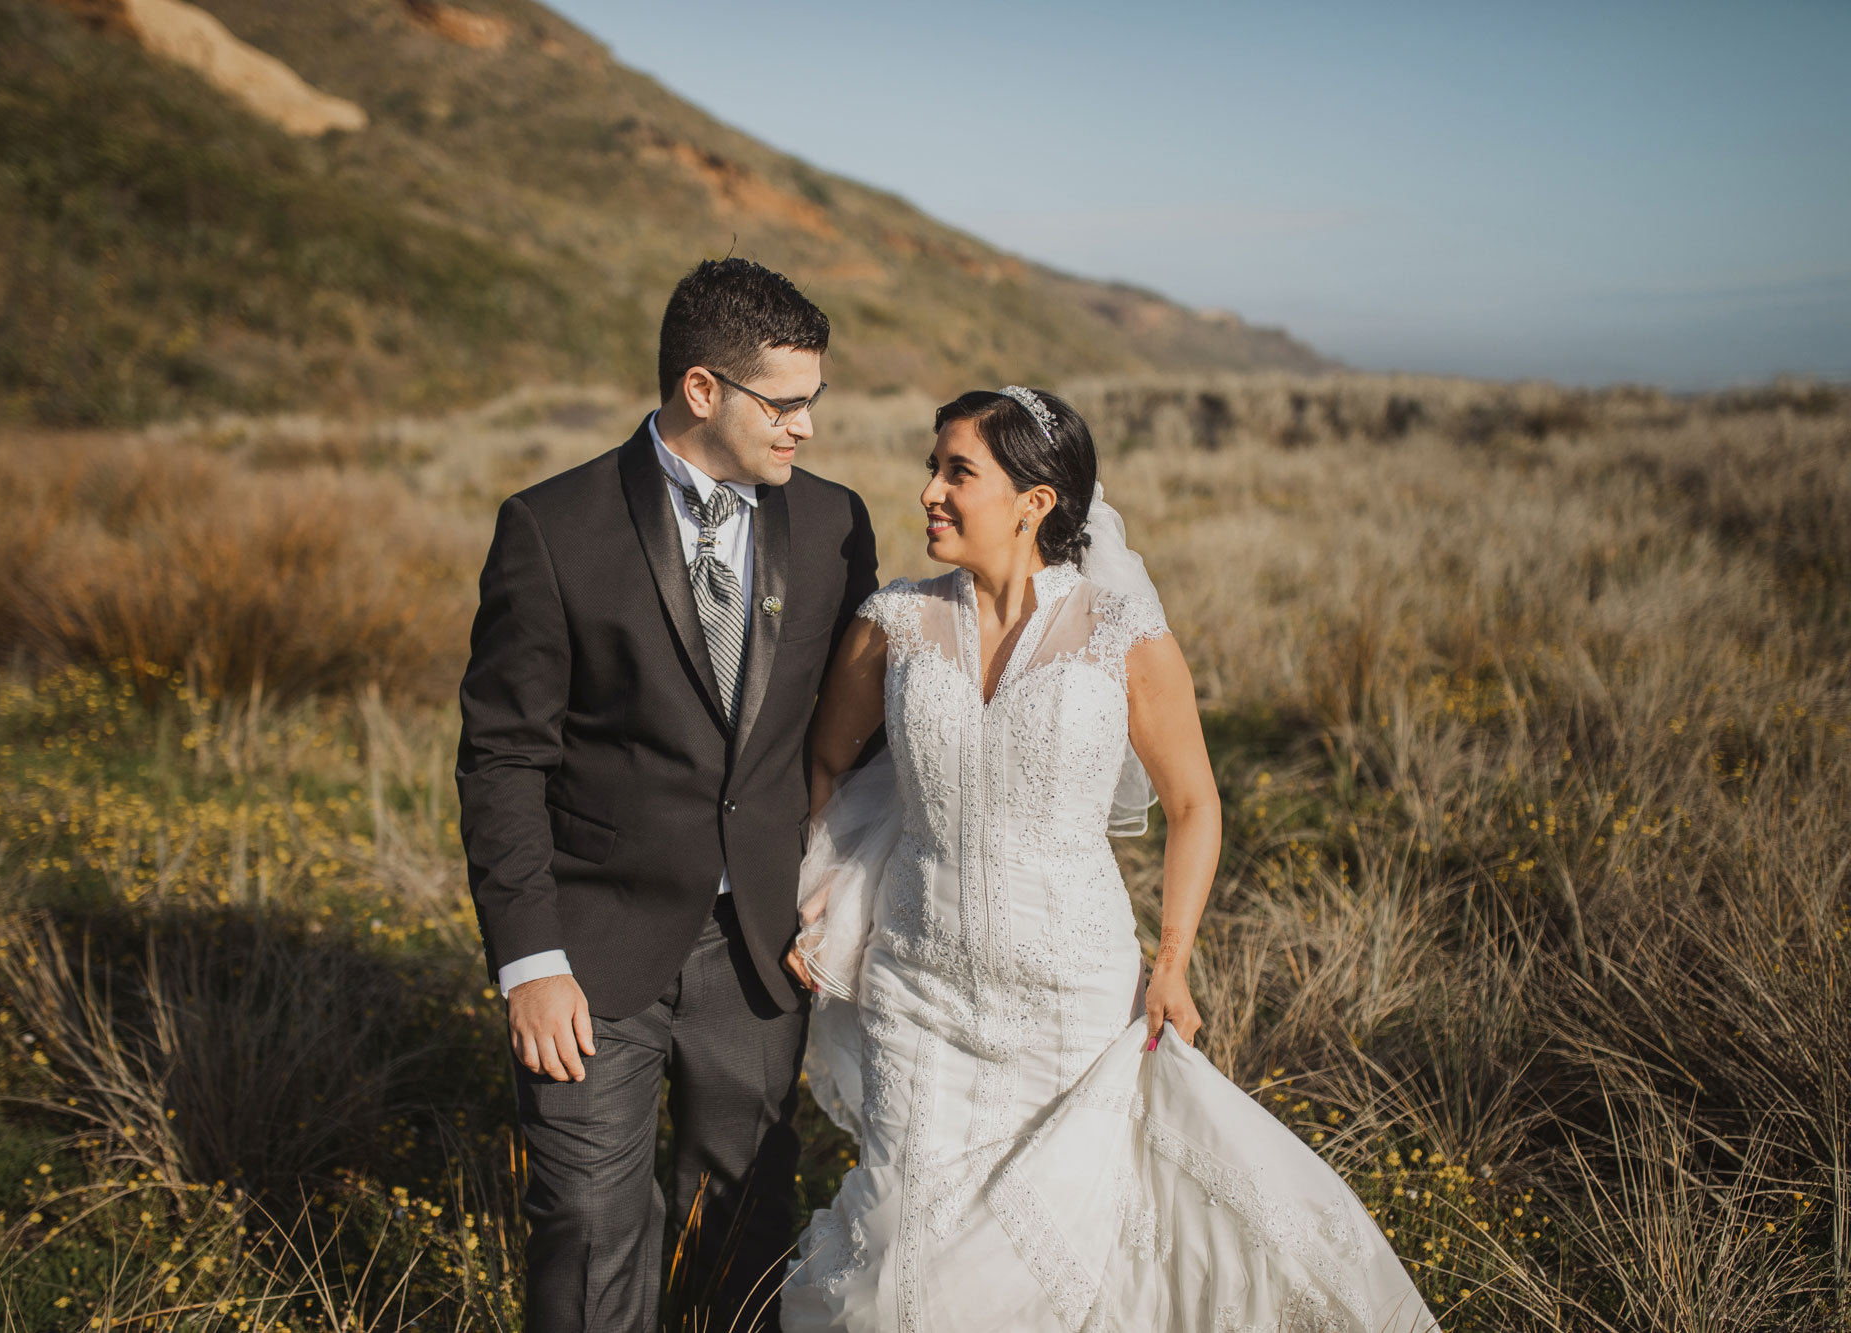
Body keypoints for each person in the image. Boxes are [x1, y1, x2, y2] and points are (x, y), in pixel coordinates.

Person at [779, 387, 1442, 1331]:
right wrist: (818, 892)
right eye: (934, 465)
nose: (928, 489)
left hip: (1071, 1001)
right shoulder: (891, 624)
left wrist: (1171, 962)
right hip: (918, 990)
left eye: (957, 471)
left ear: (1034, 501)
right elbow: (826, 764)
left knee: (1068, 1252)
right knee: (900, 1256)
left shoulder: (1122, 633)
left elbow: (1194, 804)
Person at [455, 257, 879, 1332]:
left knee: (738, 1226)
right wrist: (529, 960)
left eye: (811, 403)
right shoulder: (552, 528)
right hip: (588, 956)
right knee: (588, 1223)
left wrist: (843, 882)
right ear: (702, 389)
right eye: (784, 405)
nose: (804, 429)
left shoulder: (834, 527)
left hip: (761, 953)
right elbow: (502, 757)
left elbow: (859, 738)